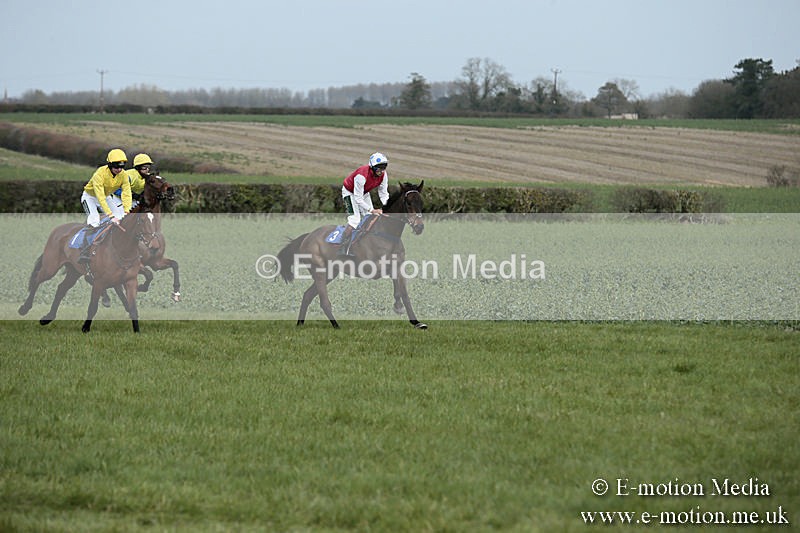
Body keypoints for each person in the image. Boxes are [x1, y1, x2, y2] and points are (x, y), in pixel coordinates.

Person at [78, 149, 132, 263]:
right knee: (94, 220)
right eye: (116, 167)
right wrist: (111, 216)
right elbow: (100, 197)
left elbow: (127, 193)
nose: (119, 170)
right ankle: (84, 250)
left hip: (106, 196)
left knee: (121, 216)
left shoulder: (123, 175)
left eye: (122, 167)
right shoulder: (100, 174)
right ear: (110, 165)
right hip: (90, 197)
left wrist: (127, 211)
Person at [339, 152, 390, 256]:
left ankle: (363, 244)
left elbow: (383, 194)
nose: (381, 171)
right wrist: (372, 210)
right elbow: (358, 198)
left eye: (384, 167)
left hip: (364, 193)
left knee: (370, 217)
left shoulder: (384, 175)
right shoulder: (361, 176)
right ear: (372, 167)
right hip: (349, 193)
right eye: (379, 168)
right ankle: (341, 247)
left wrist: (388, 207)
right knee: (355, 220)